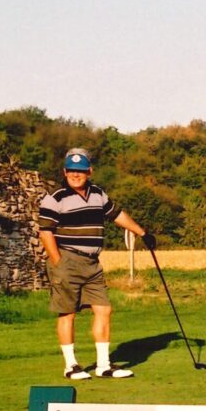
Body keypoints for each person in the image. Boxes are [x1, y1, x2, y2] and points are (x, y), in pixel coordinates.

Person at [37, 148, 156, 380]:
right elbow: (45, 232)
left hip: (92, 264)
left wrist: (142, 233)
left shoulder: (98, 194)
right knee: (67, 313)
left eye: (80, 171)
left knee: (104, 309)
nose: (75, 175)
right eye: (71, 170)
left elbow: (117, 215)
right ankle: (71, 366)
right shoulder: (55, 198)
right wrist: (58, 262)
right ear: (64, 171)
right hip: (67, 260)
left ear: (89, 171)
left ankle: (103, 365)